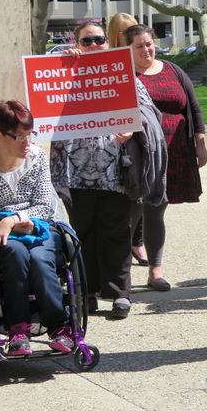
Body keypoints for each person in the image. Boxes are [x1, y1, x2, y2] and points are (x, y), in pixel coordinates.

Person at [0, 100, 72, 355]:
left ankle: (59, 327)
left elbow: (45, 205)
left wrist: (11, 220)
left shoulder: (37, 157)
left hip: (39, 227)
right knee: (14, 253)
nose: (27, 142)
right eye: (19, 136)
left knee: (40, 257)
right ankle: (18, 329)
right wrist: (3, 226)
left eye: (30, 134)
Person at [50, 21, 134, 319]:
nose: (94, 45)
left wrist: (132, 131)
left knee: (116, 233)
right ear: (77, 43)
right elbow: (39, 86)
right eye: (87, 41)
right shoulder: (62, 69)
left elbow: (146, 109)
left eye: (99, 39)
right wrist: (62, 59)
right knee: (81, 235)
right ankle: (85, 292)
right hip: (72, 171)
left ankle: (119, 293)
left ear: (108, 43)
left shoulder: (120, 72)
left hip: (114, 169)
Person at [126, 24, 207, 292]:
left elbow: (193, 107)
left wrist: (201, 142)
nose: (146, 49)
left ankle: (156, 271)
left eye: (149, 43)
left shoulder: (173, 70)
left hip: (175, 150)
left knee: (156, 208)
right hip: (139, 153)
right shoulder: (124, 76)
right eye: (139, 45)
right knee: (132, 210)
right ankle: (120, 272)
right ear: (129, 49)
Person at [106, 12, 148, 267]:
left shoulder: (142, 59)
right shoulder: (107, 59)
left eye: (134, 28)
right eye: (124, 31)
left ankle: (138, 241)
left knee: (141, 190)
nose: (131, 33)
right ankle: (126, 242)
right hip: (113, 137)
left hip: (140, 134)